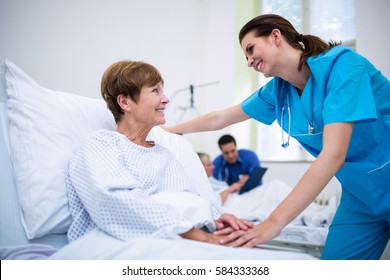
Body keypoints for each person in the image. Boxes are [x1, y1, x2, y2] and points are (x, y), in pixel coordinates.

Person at [164, 14, 390, 259]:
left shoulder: (342, 66)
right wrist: (166, 131)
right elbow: (219, 119)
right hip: (361, 198)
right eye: (246, 57)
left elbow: (333, 154)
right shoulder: (277, 92)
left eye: (251, 49)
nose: (249, 61)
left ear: (275, 36)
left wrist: (273, 223)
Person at [65, 60, 252, 246]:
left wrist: (217, 218)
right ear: (124, 102)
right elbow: (116, 203)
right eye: (155, 91)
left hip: (183, 238)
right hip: (127, 243)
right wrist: (202, 237)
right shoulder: (101, 145)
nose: (166, 99)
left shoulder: (163, 154)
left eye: (162, 90)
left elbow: (191, 197)